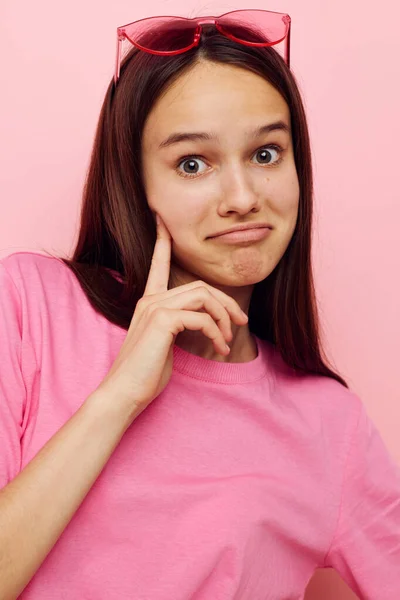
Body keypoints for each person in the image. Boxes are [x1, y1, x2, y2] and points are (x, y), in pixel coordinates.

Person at [0, 9, 399, 600]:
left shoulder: (330, 424)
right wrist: (119, 397)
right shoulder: (31, 305)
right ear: (136, 185)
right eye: (193, 163)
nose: (242, 198)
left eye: (267, 154)